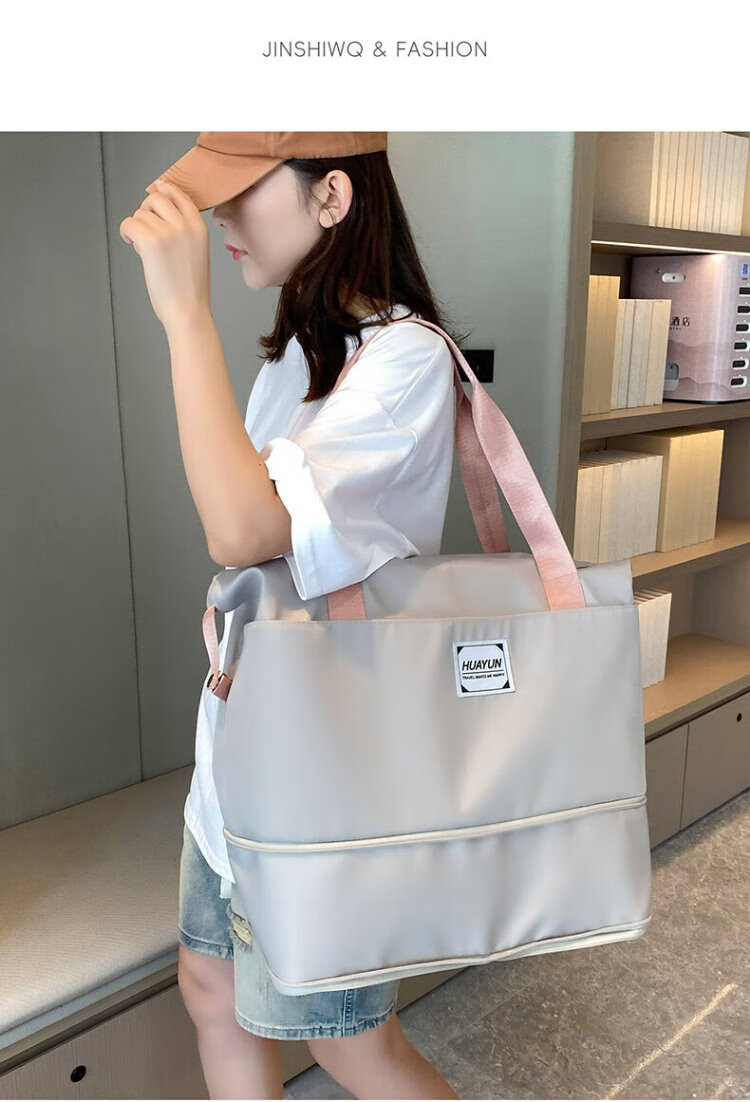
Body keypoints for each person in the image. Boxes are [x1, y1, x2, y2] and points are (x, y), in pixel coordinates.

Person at [120, 133, 467, 1100]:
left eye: (242, 191)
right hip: (240, 759)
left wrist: (184, 316)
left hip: (325, 777)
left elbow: (241, 530)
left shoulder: (406, 360)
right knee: (209, 989)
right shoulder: (306, 352)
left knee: (350, 1043)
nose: (221, 217)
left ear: (332, 198)